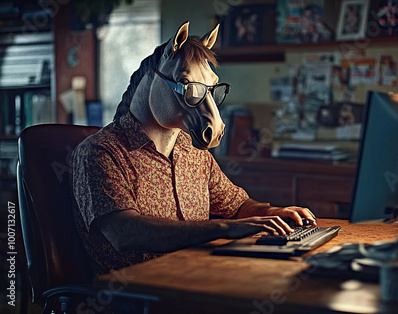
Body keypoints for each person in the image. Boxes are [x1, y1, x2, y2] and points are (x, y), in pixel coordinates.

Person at [72, 21, 316, 275]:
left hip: (195, 277)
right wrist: (223, 228)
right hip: (133, 295)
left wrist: (272, 213)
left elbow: (236, 205)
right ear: (158, 81)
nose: (209, 107)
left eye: (209, 90)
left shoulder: (194, 153)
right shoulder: (101, 152)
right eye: (190, 88)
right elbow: (124, 234)